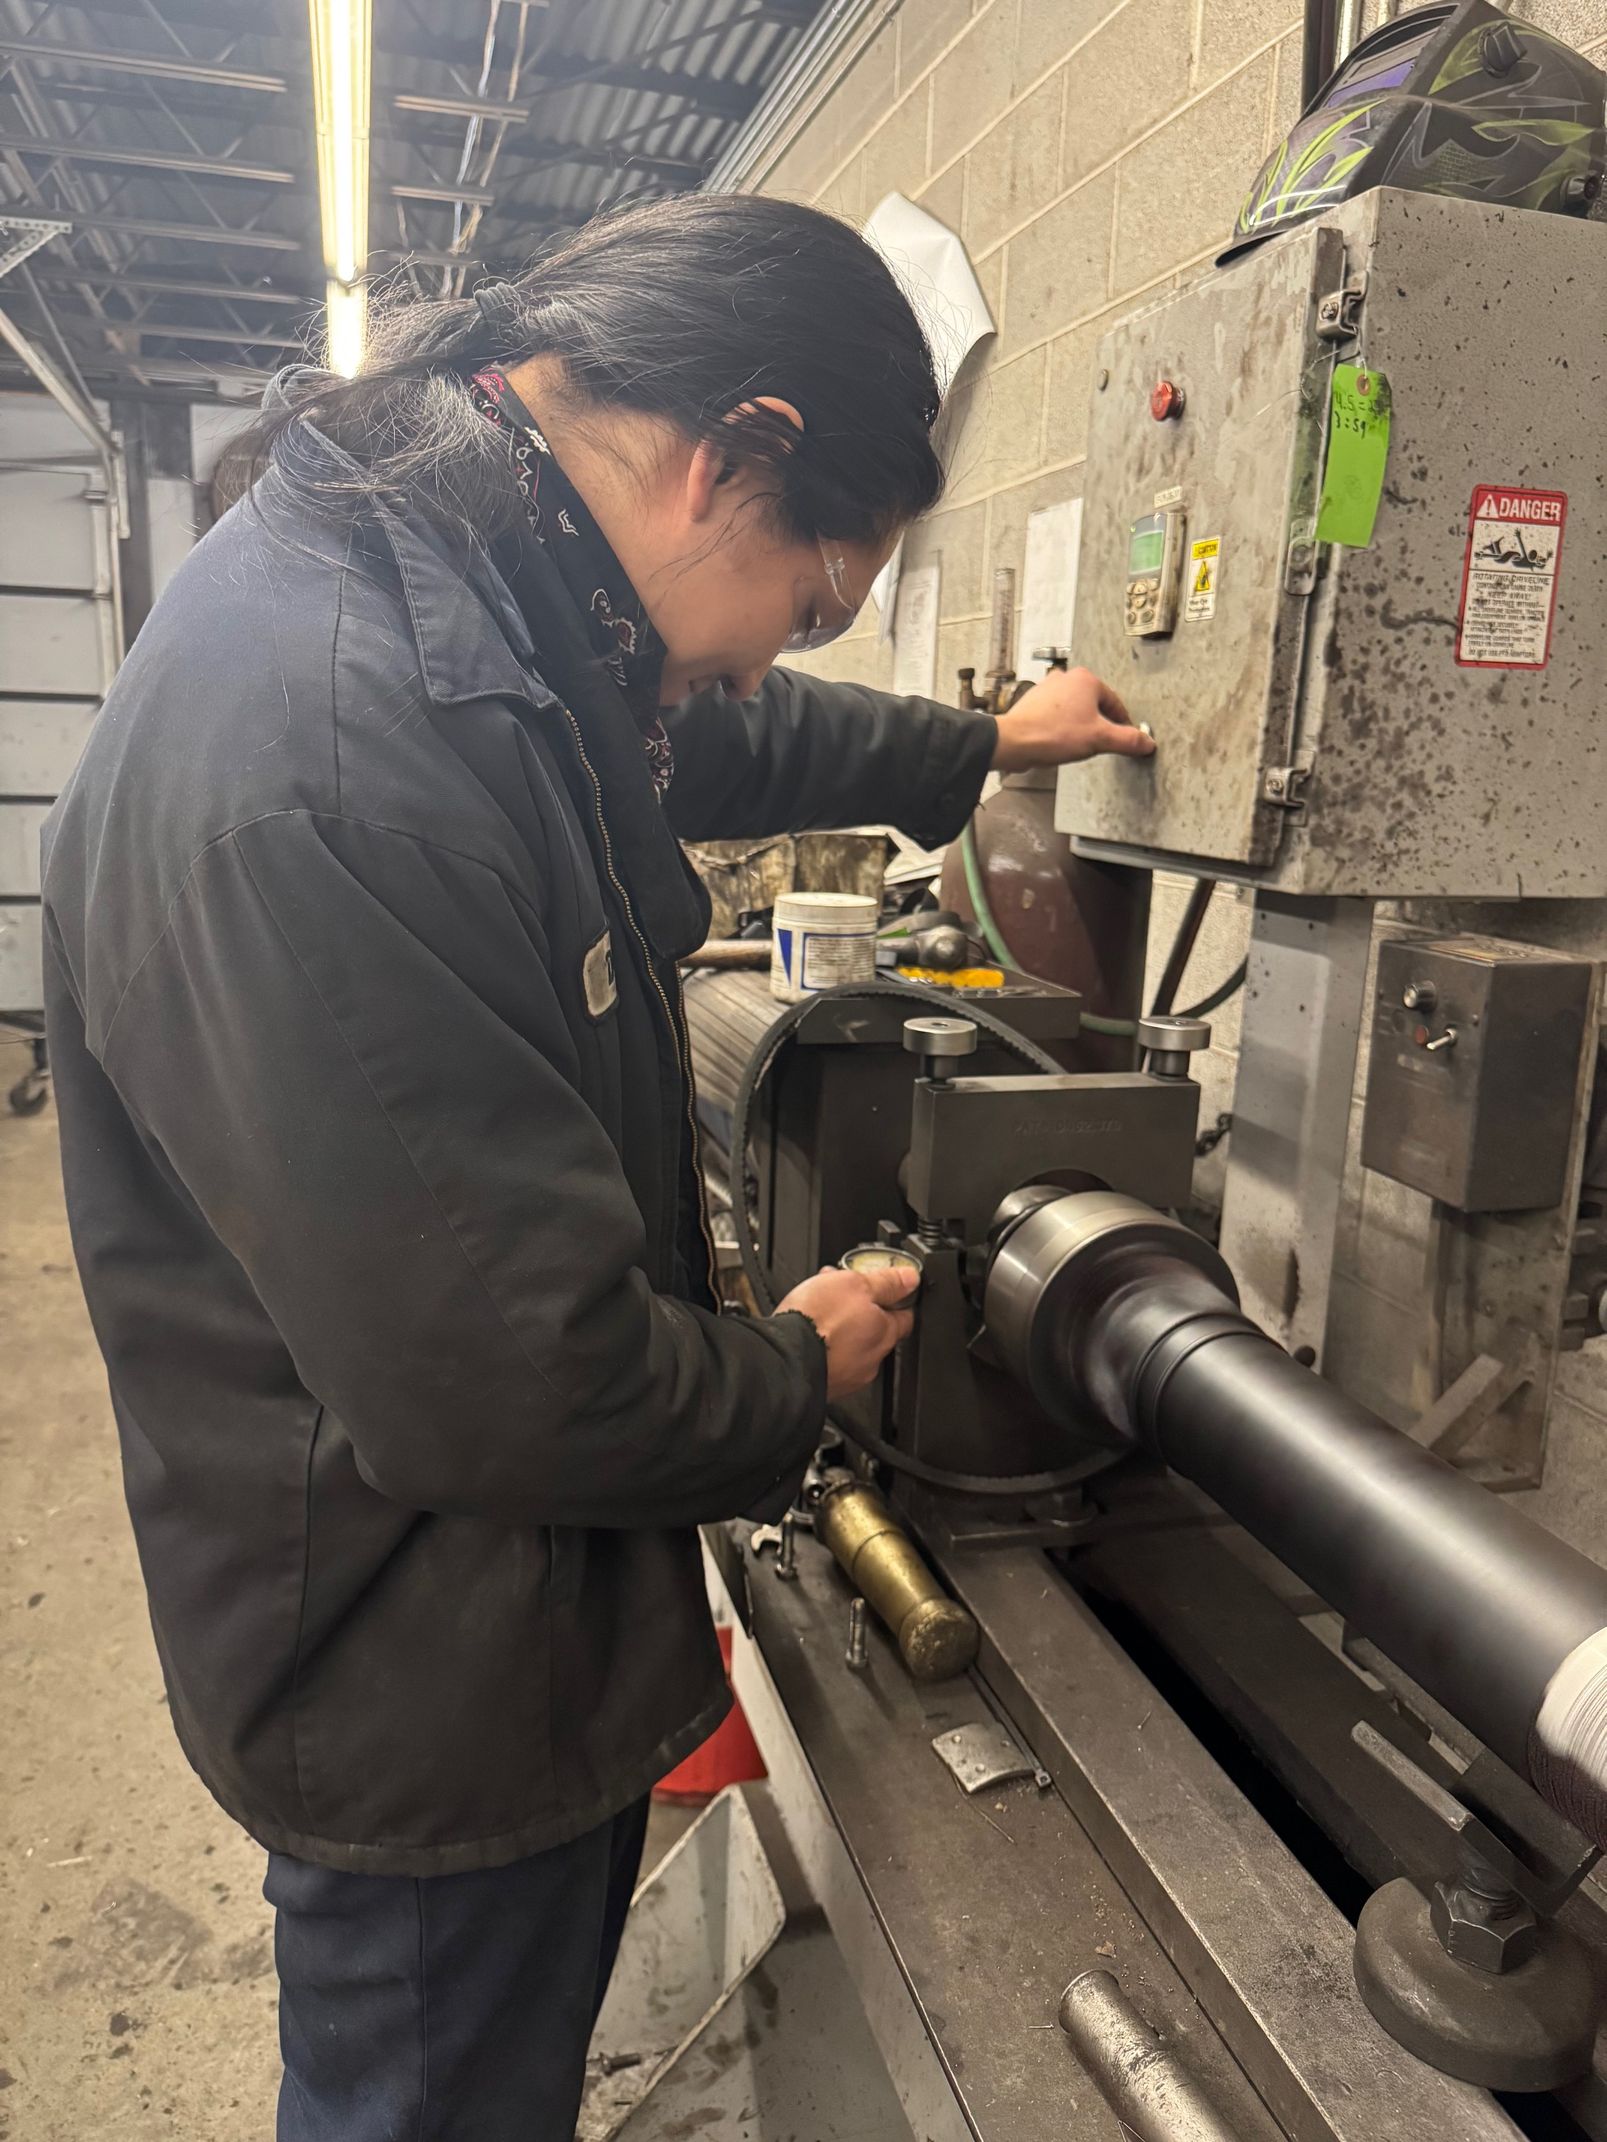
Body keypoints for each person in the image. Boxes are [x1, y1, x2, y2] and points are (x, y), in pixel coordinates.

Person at [40, 194, 1154, 2138]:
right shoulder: (340, 767)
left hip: (454, 1604)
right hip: (428, 1686)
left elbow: (694, 733)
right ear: (736, 454)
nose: (775, 655)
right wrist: (796, 1367)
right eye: (817, 592)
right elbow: (526, 1388)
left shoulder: (463, 581)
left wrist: (972, 754)